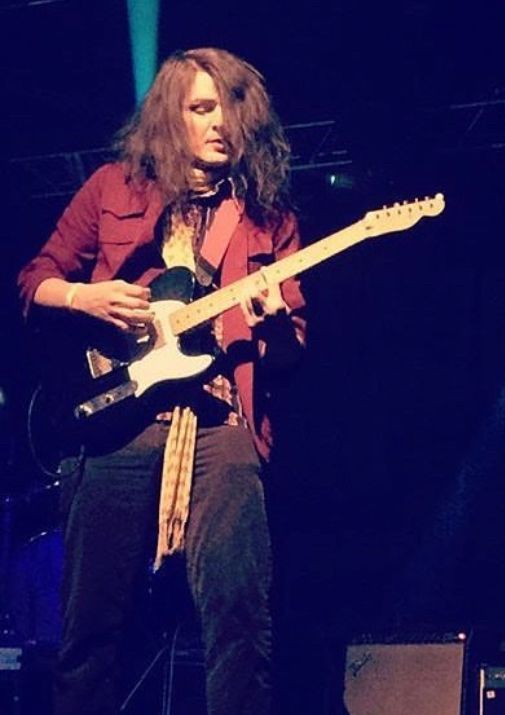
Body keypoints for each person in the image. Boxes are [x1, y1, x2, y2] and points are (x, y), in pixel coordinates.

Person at [17, 47, 306, 715]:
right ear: (169, 119)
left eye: (232, 108)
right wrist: (83, 297)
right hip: (119, 416)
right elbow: (34, 279)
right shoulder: (113, 189)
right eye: (202, 108)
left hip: (221, 421)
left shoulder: (269, 218)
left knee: (240, 616)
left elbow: (293, 353)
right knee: (92, 622)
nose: (220, 123)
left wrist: (270, 320)